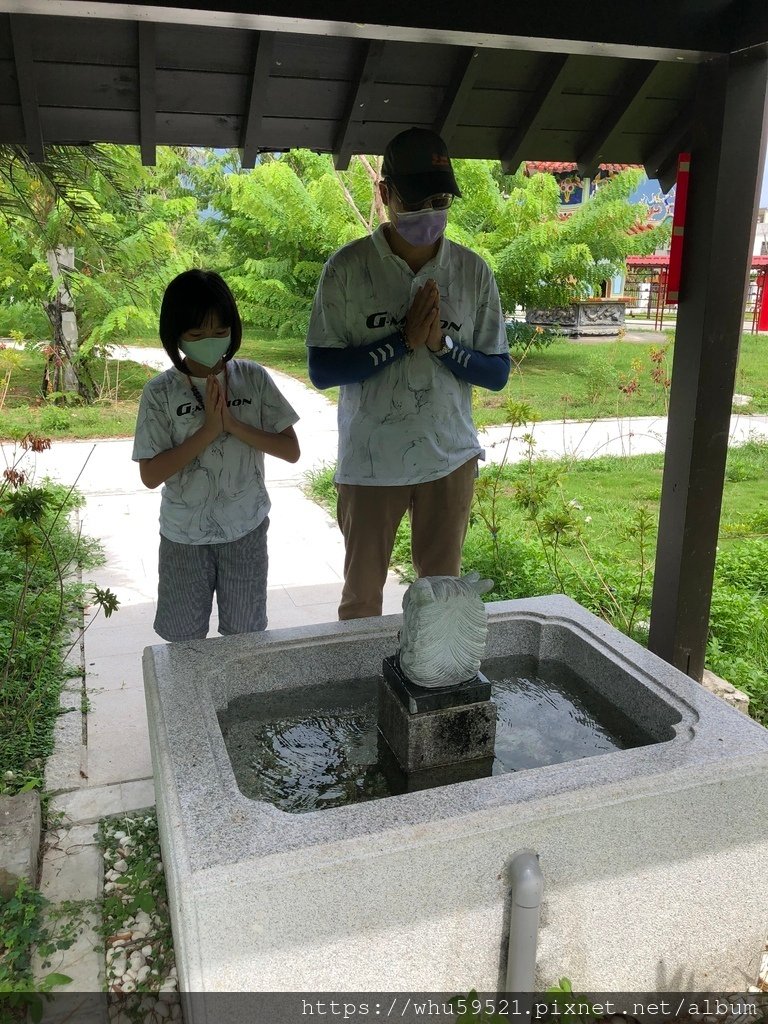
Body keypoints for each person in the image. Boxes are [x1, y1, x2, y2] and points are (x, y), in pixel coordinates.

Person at [306, 127, 510, 620]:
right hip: (370, 463)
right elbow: (322, 368)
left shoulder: (472, 272)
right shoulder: (347, 269)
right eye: (417, 199)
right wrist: (400, 343)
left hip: (449, 459)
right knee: (360, 601)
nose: (429, 212)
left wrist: (441, 346)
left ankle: (431, 688)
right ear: (386, 194)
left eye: (440, 199)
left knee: (440, 602)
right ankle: (358, 684)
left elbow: (497, 372)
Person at [133, 269, 300, 642]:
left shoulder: (253, 379)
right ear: (175, 334)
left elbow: (291, 450)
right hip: (184, 537)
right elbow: (150, 474)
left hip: (245, 529)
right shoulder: (160, 393)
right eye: (196, 335)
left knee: (244, 637)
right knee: (183, 641)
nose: (210, 342)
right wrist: (208, 432)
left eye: (220, 333)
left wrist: (234, 425)